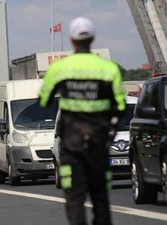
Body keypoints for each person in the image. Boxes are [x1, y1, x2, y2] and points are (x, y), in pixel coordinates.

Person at [39, 17, 126, 225]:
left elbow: (43, 101)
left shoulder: (59, 69)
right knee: (100, 196)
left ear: (71, 39)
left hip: (72, 144)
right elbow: (121, 107)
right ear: (93, 38)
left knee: (75, 197)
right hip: (98, 142)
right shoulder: (109, 69)